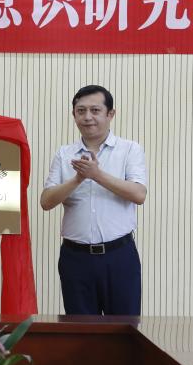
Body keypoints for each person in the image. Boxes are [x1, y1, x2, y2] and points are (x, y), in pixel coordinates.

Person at [41, 85, 147, 315]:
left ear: (110, 114)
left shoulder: (130, 150)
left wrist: (96, 175)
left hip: (119, 255)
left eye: (95, 110)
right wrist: (78, 179)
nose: (87, 117)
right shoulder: (64, 154)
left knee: (124, 328)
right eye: (81, 111)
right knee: (81, 330)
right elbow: (46, 201)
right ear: (74, 115)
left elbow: (139, 194)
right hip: (75, 258)